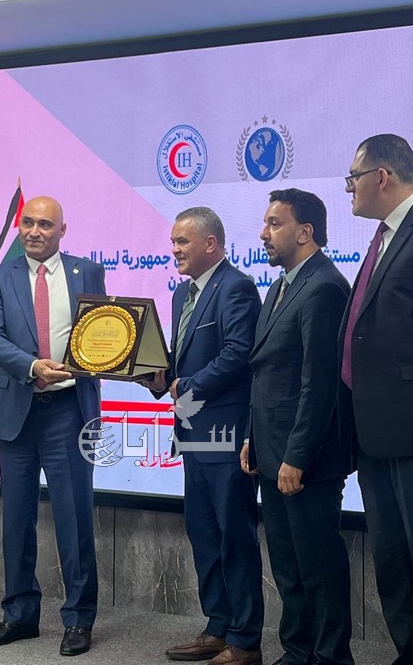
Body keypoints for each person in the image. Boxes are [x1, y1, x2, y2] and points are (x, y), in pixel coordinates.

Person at [0, 195, 105, 657]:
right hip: (17, 414)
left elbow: (105, 333)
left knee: (74, 518)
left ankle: (78, 618)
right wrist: (32, 366)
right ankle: (19, 615)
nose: (34, 231)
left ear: (62, 231)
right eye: (28, 222)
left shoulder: (88, 272)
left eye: (45, 224)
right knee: (16, 519)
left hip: (69, 411)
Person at [340, 134, 413, 665]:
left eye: (353, 178)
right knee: (392, 562)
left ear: (381, 176)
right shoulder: (384, 236)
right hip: (375, 436)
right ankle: (411, 655)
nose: (349, 189)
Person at [144, 206, 264, 665]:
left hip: (228, 436)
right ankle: (217, 627)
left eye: (182, 241)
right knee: (204, 535)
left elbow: (238, 354)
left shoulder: (237, 287)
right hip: (193, 435)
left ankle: (245, 641)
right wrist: (157, 377)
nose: (174, 249)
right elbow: (183, 359)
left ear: (210, 243)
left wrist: (187, 385)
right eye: (173, 241)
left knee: (235, 538)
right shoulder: (183, 293)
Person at [242, 189, 354, 665]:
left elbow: (319, 384)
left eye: (275, 224)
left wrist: (297, 457)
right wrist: (253, 437)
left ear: (305, 232)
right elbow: (269, 373)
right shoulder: (281, 286)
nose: (263, 234)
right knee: (288, 566)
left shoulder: (325, 287)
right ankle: (298, 651)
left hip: (306, 460)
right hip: (272, 452)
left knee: (319, 567)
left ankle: (330, 657)